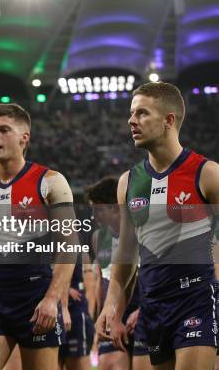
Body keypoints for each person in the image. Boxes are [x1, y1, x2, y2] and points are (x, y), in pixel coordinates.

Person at [96, 82, 219, 369]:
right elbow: (126, 256)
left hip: (197, 299)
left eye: (142, 113)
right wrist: (112, 305)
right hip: (153, 306)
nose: (131, 120)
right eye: (131, 113)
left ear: (169, 120)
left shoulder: (208, 174)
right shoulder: (128, 182)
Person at [0, 103, 76, 370]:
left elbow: (69, 246)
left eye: (3, 130)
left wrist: (53, 299)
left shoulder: (50, 181)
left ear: (24, 137)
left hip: (35, 299)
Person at [86, 177, 151, 370]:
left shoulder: (142, 233)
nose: (94, 214)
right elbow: (100, 281)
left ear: (115, 208)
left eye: (98, 208)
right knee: (110, 364)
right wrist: (99, 318)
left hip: (144, 312)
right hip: (113, 315)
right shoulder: (98, 237)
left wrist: (143, 309)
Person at [59, 263, 95, 370]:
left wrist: (89, 317)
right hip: (53, 311)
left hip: (75, 314)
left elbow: (91, 285)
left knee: (77, 363)